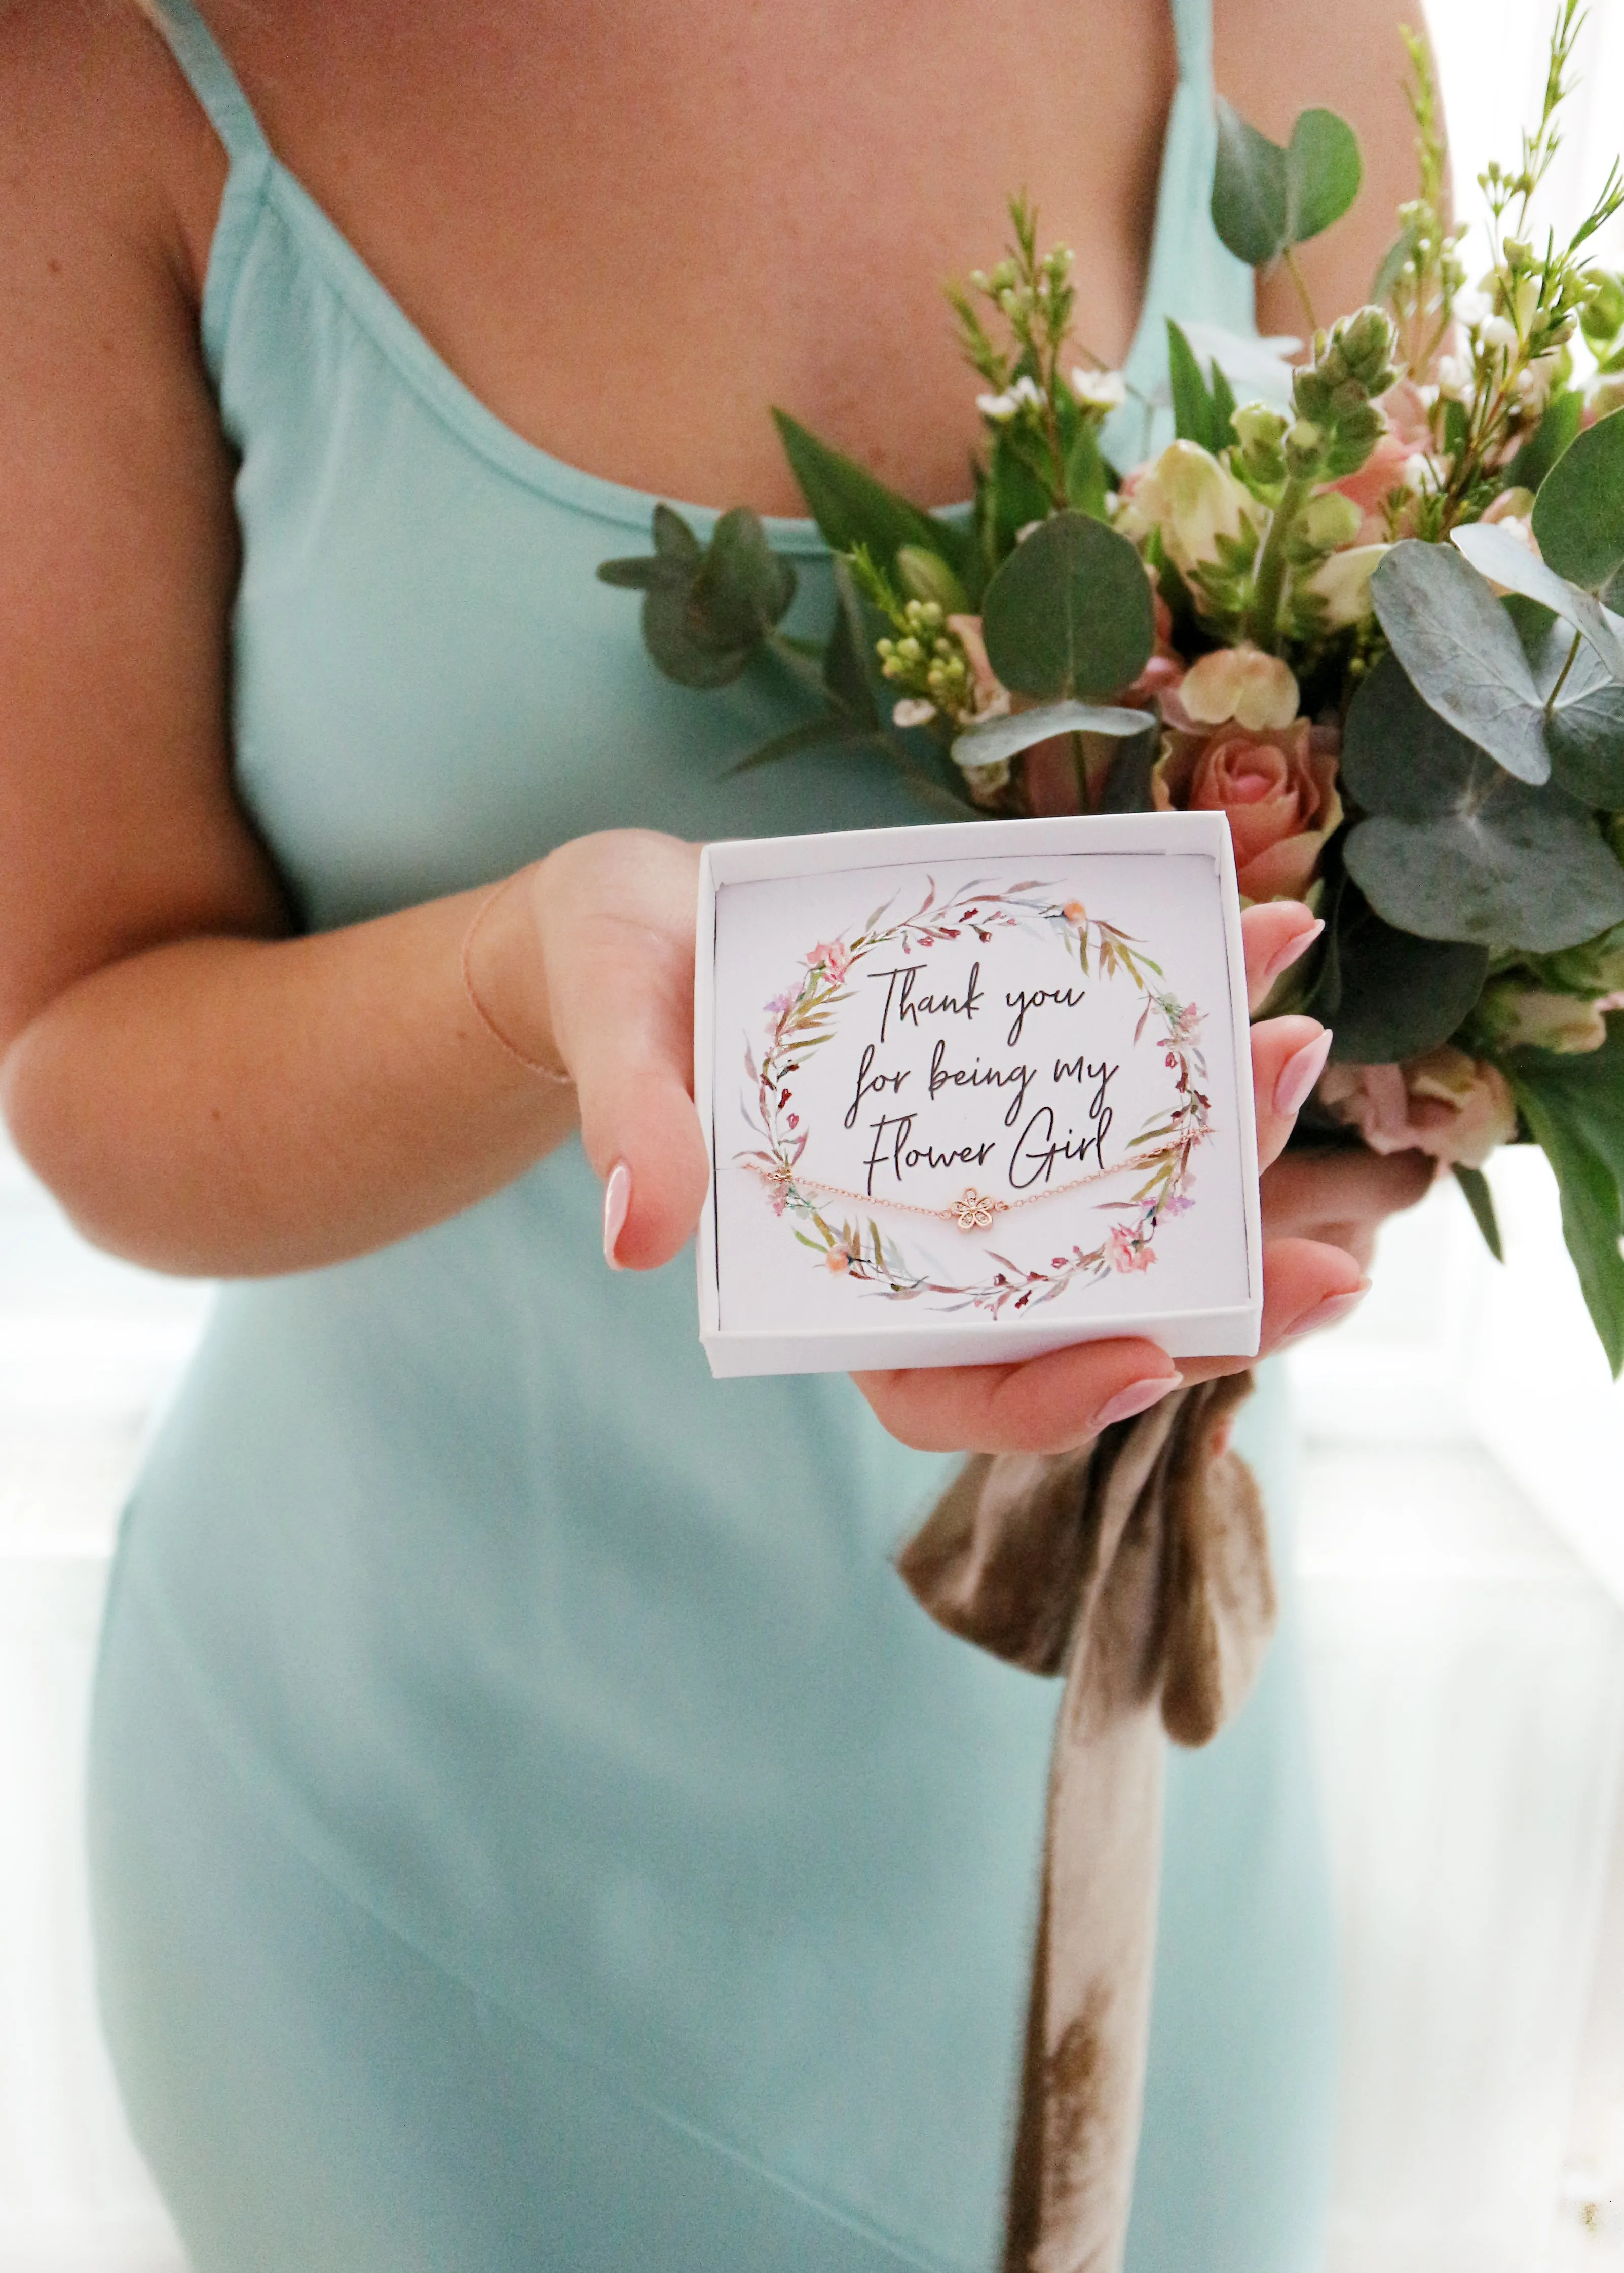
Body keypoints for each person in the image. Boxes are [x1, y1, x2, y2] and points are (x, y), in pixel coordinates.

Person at [0, 2, 1432, 2265]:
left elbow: (1442, 862)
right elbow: (84, 1054)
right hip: (427, 1890)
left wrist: (1342, 1143)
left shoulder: (1296, 22)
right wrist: (515, 989)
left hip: (1117, 1837)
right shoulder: (94, 82)